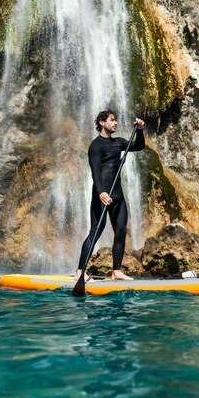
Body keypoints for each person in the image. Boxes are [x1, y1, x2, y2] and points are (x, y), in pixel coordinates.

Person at [76, 109, 145, 281]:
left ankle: (116, 271)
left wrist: (139, 130)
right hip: (102, 194)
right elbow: (95, 171)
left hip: (118, 195)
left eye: (116, 120)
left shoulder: (118, 142)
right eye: (112, 120)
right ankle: (80, 271)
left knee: (121, 230)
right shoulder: (96, 145)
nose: (115, 123)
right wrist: (101, 192)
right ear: (102, 122)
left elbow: (139, 146)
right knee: (96, 230)